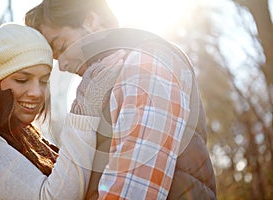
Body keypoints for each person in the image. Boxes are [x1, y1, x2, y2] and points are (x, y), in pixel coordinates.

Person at [25, 0, 217, 199]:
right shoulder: (104, 85)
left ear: (91, 21)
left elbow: (134, 190)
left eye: (62, 46)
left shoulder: (146, 63)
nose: (62, 65)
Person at [0, 23, 101, 200]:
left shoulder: (27, 136)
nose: (37, 93)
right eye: (22, 79)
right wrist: (85, 111)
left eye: (43, 81)